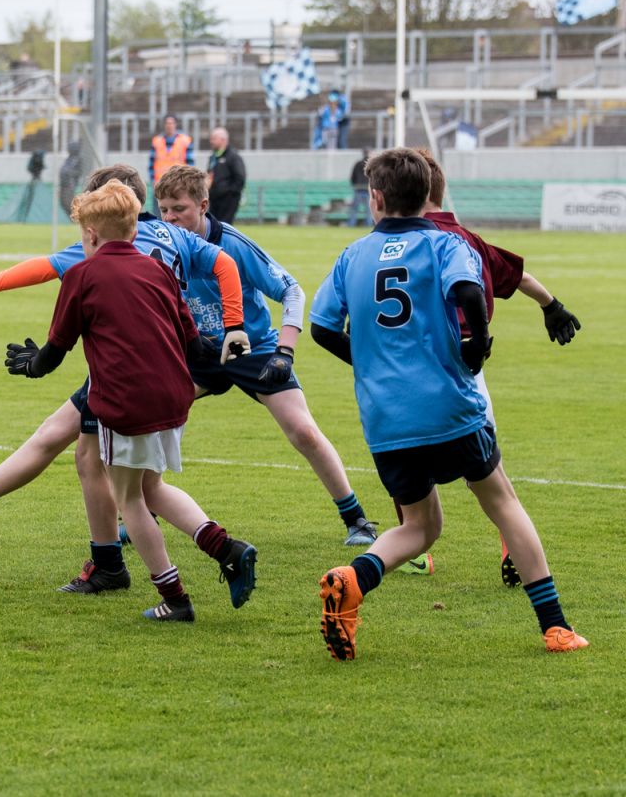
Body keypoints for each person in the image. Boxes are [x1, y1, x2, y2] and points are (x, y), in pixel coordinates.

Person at [0, 165, 258, 610]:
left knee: (125, 489)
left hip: (121, 380)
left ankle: (167, 589)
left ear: (92, 229)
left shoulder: (88, 267)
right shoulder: (168, 248)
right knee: (99, 460)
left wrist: (25, 348)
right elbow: (210, 297)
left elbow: (53, 315)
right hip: (170, 376)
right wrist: (232, 338)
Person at [309, 147, 588, 659]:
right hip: (450, 407)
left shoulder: (351, 255)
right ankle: (556, 627)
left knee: (419, 526)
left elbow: (323, 327)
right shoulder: (443, 243)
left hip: (387, 419)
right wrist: (476, 341)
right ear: (429, 196)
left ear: (376, 197)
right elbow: (467, 289)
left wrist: (368, 363)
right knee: (502, 502)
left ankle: (352, 579)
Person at [2, 180, 229, 622]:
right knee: (152, 487)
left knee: (131, 500)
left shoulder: (84, 276)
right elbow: (194, 344)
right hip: (175, 399)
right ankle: (224, 547)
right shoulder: (158, 270)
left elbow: (54, 352)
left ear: (90, 233)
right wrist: (230, 359)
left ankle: (178, 598)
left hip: (124, 403)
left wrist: (31, 366)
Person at [156, 164, 375, 545]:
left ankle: (356, 520)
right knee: (156, 418)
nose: (171, 218)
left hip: (252, 348)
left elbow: (292, 290)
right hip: (199, 350)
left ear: (204, 205)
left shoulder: (234, 245)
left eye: (180, 209)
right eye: (164, 210)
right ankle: (142, 511)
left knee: (303, 430)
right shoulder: (165, 247)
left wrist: (284, 352)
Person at [393, 148, 584, 578]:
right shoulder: (469, 240)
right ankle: (511, 547)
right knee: (490, 471)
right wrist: (552, 305)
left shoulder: (409, 243)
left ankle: (416, 549)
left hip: (420, 371)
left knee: (405, 452)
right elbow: (517, 276)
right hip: (473, 372)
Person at [147, 114, 193, 204]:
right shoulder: (156, 141)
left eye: (171, 123)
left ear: (176, 124)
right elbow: (151, 163)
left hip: (178, 183)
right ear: (164, 125)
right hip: (159, 182)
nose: (169, 125)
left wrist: (186, 181)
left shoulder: (185, 141)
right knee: (159, 209)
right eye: (167, 123)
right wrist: (152, 180)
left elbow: (190, 164)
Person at [206, 127, 245, 224]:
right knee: (213, 227)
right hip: (214, 199)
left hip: (228, 200)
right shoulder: (213, 157)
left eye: (214, 138)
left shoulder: (233, 156)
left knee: (225, 227)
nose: (211, 141)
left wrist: (229, 193)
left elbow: (240, 177)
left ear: (223, 140)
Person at [346, 149, 370, 226]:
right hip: (367, 189)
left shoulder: (358, 164)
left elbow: (352, 177)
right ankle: (368, 225)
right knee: (368, 210)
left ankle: (351, 224)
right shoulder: (371, 165)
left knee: (354, 209)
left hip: (358, 189)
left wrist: (355, 185)